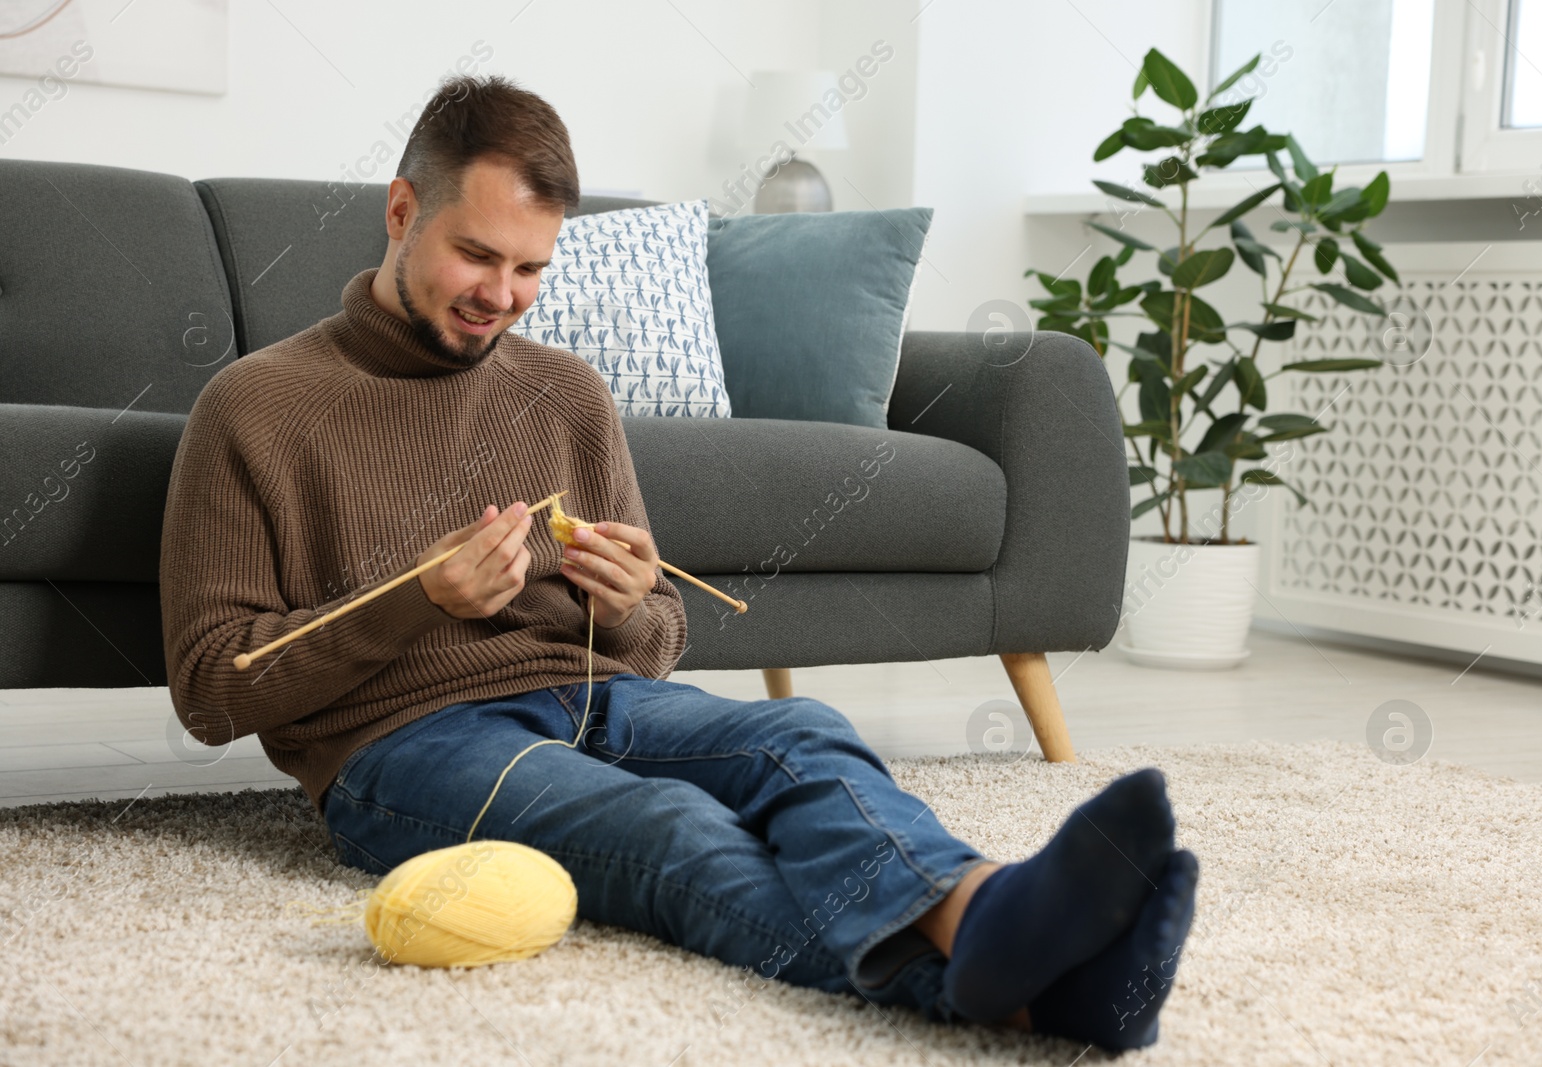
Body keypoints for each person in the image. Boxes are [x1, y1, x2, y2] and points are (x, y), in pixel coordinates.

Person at [159, 72, 1197, 1049]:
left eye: (532, 268)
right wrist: (418, 600)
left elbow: (660, 637)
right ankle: (1030, 994)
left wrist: (625, 604)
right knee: (666, 827)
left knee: (802, 737)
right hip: (397, 749)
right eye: (478, 255)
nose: (504, 295)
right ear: (400, 213)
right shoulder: (256, 406)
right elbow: (211, 690)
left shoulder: (563, 392)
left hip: (592, 696)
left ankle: (984, 910)